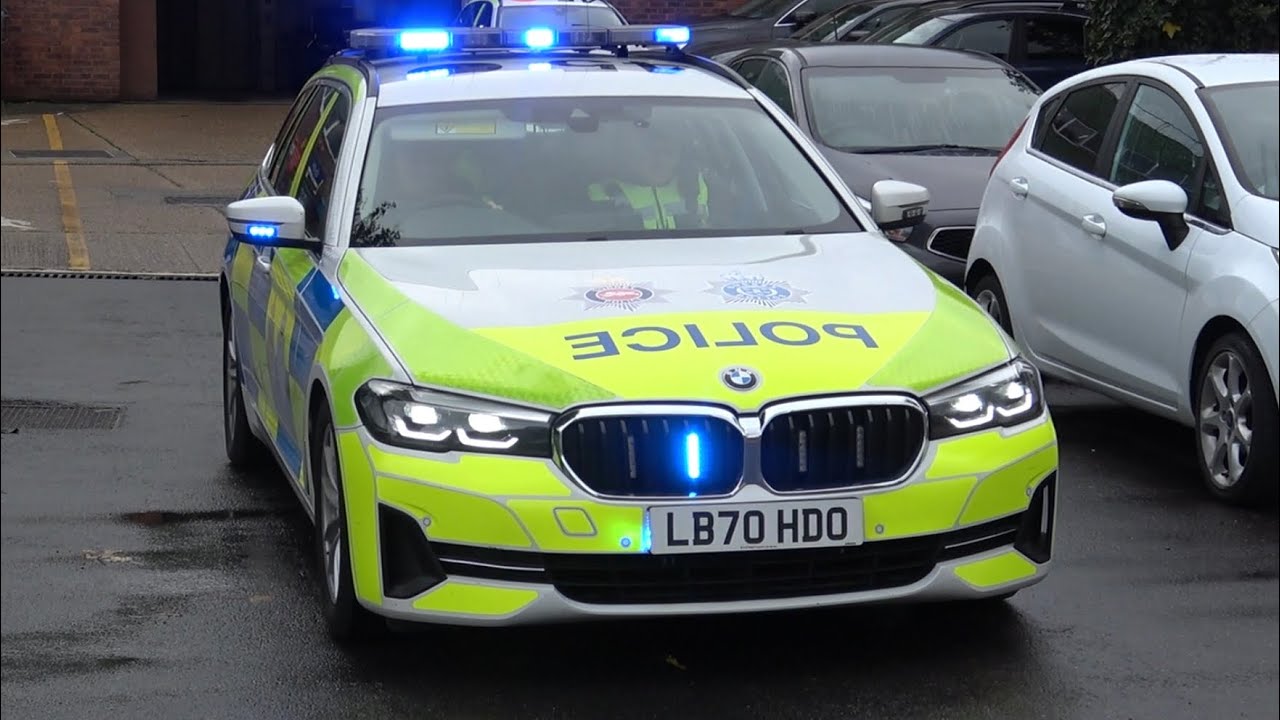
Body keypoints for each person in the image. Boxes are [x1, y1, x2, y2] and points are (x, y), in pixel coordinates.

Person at [587, 121, 710, 230]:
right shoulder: (604, 192)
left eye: (668, 153)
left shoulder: (694, 185)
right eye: (654, 152)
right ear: (636, 154)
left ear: (679, 156)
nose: (661, 160)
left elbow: (705, 232)